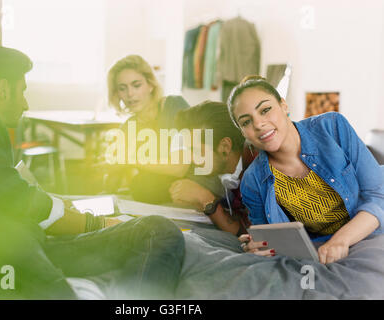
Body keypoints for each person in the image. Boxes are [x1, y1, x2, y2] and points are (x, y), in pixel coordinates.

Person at [0, 45, 185, 299]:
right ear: (2, 89)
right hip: (16, 247)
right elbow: (21, 202)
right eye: (22, 91)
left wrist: (60, 205)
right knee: (158, 230)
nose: (25, 103)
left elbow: (2, 189)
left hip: (17, 243)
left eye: (136, 85)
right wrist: (101, 222)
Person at [227, 75, 384, 264]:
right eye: (246, 122)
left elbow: (378, 196)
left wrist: (340, 241)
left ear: (284, 105)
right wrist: (259, 246)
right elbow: (272, 238)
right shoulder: (252, 182)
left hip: (371, 232)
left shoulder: (333, 126)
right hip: (320, 251)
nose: (259, 124)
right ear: (243, 132)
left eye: (266, 110)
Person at [106, 54, 224, 203]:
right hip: (167, 197)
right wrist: (110, 168)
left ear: (150, 85)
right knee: (140, 185)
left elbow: (179, 166)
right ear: (117, 94)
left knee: (142, 185)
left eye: (136, 85)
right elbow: (115, 182)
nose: (130, 94)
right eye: (122, 88)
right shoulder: (127, 128)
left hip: (204, 191)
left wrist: (130, 159)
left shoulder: (173, 106)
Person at [173, 100, 254, 235]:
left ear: (224, 147)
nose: (192, 159)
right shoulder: (229, 172)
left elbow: (248, 233)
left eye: (197, 151)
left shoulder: (257, 172)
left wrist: (205, 198)